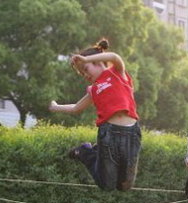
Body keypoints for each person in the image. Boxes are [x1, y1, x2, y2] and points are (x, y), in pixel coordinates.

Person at [49, 39, 141, 191]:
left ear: (98, 62)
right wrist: (56, 107)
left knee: (124, 185)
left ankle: (95, 151)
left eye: (86, 69)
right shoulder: (94, 89)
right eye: (82, 73)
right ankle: (85, 152)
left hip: (132, 133)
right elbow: (76, 108)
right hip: (109, 133)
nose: (85, 75)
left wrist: (85, 58)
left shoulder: (116, 73)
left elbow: (114, 58)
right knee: (107, 185)